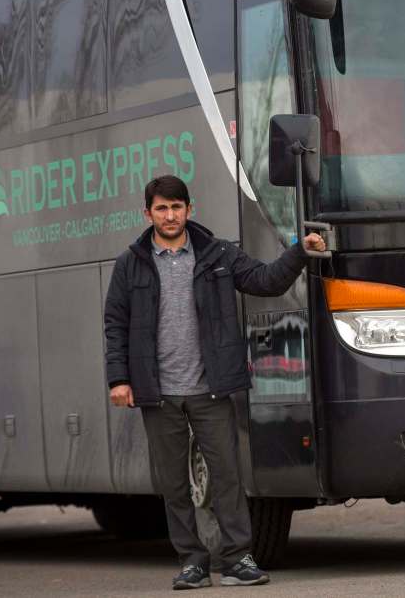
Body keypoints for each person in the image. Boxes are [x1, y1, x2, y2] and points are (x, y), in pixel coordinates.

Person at [103, 174, 325, 590]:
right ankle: (192, 561)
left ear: (190, 209)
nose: (170, 216)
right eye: (161, 209)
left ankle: (238, 559)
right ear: (147, 213)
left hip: (211, 386)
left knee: (226, 477)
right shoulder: (130, 263)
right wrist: (119, 378)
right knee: (173, 484)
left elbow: (266, 281)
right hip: (159, 391)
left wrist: (300, 252)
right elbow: (116, 323)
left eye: (177, 207)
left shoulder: (218, 254)